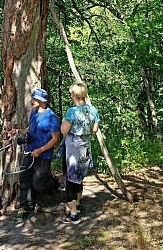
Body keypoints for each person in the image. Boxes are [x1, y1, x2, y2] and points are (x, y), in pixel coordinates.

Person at [9, 88, 60, 221]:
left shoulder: (52, 117)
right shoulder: (34, 113)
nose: (32, 101)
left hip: (43, 156)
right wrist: (17, 131)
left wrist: (41, 150)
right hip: (30, 152)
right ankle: (26, 207)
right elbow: (29, 129)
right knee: (24, 178)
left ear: (42, 100)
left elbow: (55, 139)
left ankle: (55, 183)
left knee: (38, 184)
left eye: (34, 98)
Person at [60, 82, 100, 224]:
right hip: (86, 147)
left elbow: (64, 130)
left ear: (75, 95)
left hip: (73, 149)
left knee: (70, 180)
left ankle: (73, 215)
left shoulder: (72, 111)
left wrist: (64, 122)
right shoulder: (93, 110)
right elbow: (94, 130)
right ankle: (77, 204)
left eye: (71, 93)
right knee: (79, 177)